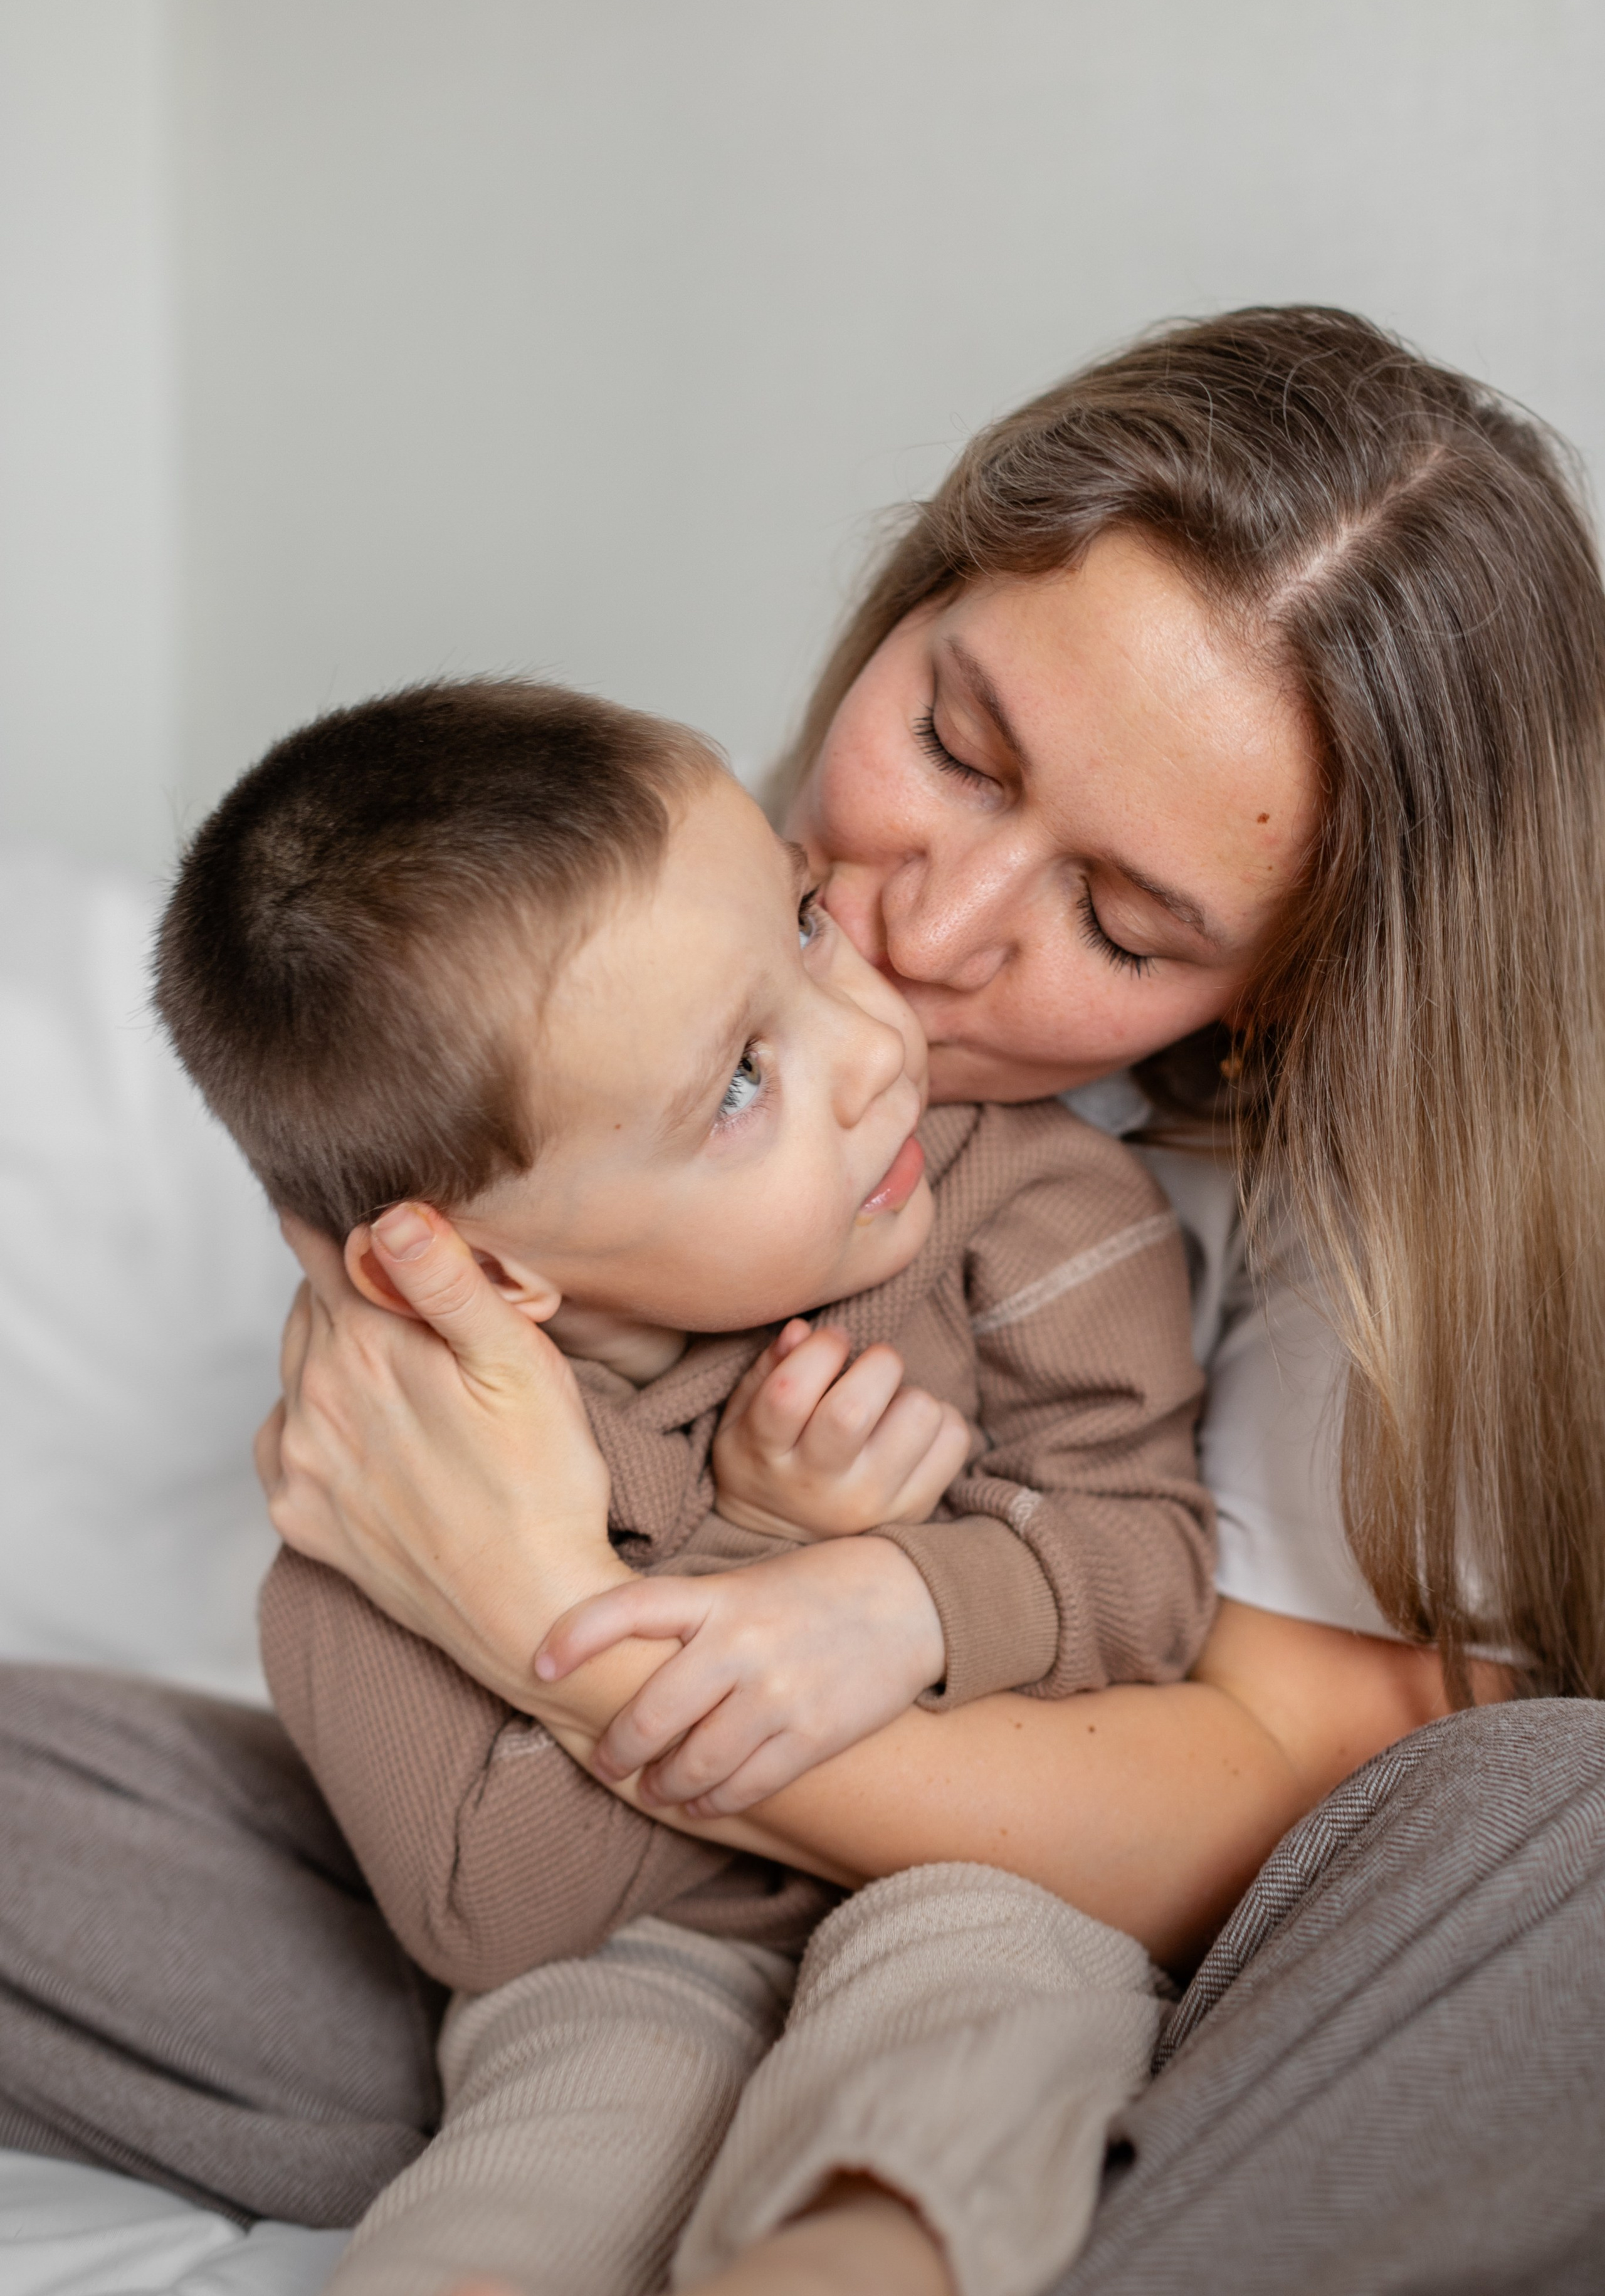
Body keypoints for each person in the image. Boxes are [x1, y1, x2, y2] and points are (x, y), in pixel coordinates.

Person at [6, 305, 1605, 2290]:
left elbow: (1263, 1788)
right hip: (578, 1925)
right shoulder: (700, 921)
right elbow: (455, 1788)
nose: (925, 927)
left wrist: (563, 1625)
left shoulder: (1295, 1214)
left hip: (1117, 1947)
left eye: (1119, 925)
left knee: (1558, 1826)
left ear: (1299, 980)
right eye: (953, 745)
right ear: (916, 593)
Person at [150, 671, 1211, 2296]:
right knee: (544, 2147)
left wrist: (902, 1594)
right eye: (738, 1087)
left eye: (803, 923)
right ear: (482, 1271)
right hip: (633, 1956)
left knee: (969, 2035)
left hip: (984, 1872)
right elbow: (490, 1909)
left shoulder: (1027, 1205)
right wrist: (753, 1543)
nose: (872, 1048)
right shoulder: (386, 1485)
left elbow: (1147, 1574)